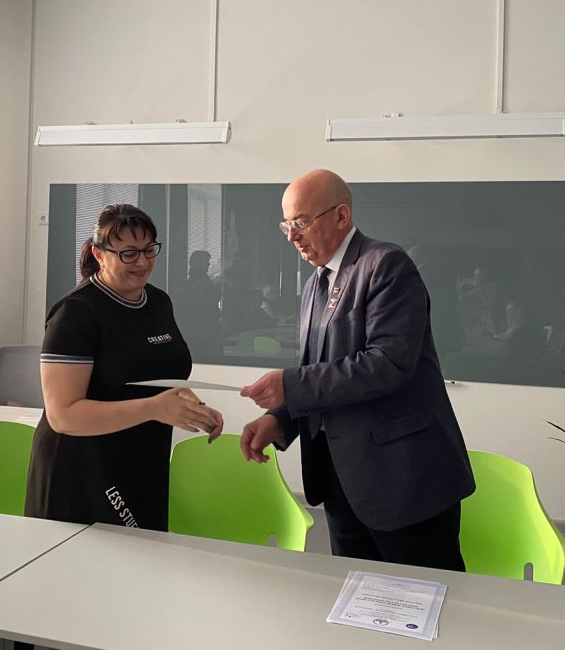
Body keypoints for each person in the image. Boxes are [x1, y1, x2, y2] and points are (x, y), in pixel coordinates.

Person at [239, 169, 474, 570]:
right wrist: (281, 418)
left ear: (342, 216)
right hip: (341, 479)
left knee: (424, 597)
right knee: (356, 594)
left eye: (301, 223)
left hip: (403, 479)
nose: (292, 236)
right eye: (286, 225)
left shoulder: (386, 265)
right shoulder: (314, 284)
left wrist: (290, 386)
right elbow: (320, 370)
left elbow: (387, 363)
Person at [25, 203, 223, 532]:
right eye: (128, 254)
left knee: (142, 555)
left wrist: (188, 404)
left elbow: (152, 374)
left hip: (142, 458)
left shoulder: (158, 302)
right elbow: (63, 415)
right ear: (99, 254)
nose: (142, 262)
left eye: (148, 250)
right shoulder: (76, 313)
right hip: (82, 467)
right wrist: (155, 408)